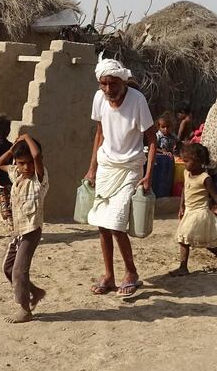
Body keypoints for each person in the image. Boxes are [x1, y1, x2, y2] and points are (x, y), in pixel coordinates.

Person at [84, 56, 156, 297]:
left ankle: (131, 273)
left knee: (116, 224)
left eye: (112, 84)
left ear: (123, 82)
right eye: (103, 84)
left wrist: (148, 175)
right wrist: (92, 167)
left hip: (130, 169)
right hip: (106, 166)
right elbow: (99, 134)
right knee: (102, 225)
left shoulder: (138, 101)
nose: (107, 89)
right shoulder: (99, 99)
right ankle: (109, 275)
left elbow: (152, 140)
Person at [0, 134, 48, 323]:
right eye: (21, 163)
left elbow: (37, 157)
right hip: (18, 232)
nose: (26, 167)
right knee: (8, 268)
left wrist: (25, 136)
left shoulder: (38, 179)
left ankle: (25, 309)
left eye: (28, 163)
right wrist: (14, 148)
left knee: (19, 271)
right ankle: (35, 291)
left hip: (31, 232)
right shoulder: (17, 175)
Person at [170, 143, 217, 276]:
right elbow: (185, 189)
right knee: (204, 240)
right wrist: (181, 206)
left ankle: (183, 267)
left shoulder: (205, 179)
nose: (184, 164)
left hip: (200, 213)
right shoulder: (186, 173)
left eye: (187, 161)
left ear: (198, 161)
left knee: (184, 236)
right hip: (189, 211)